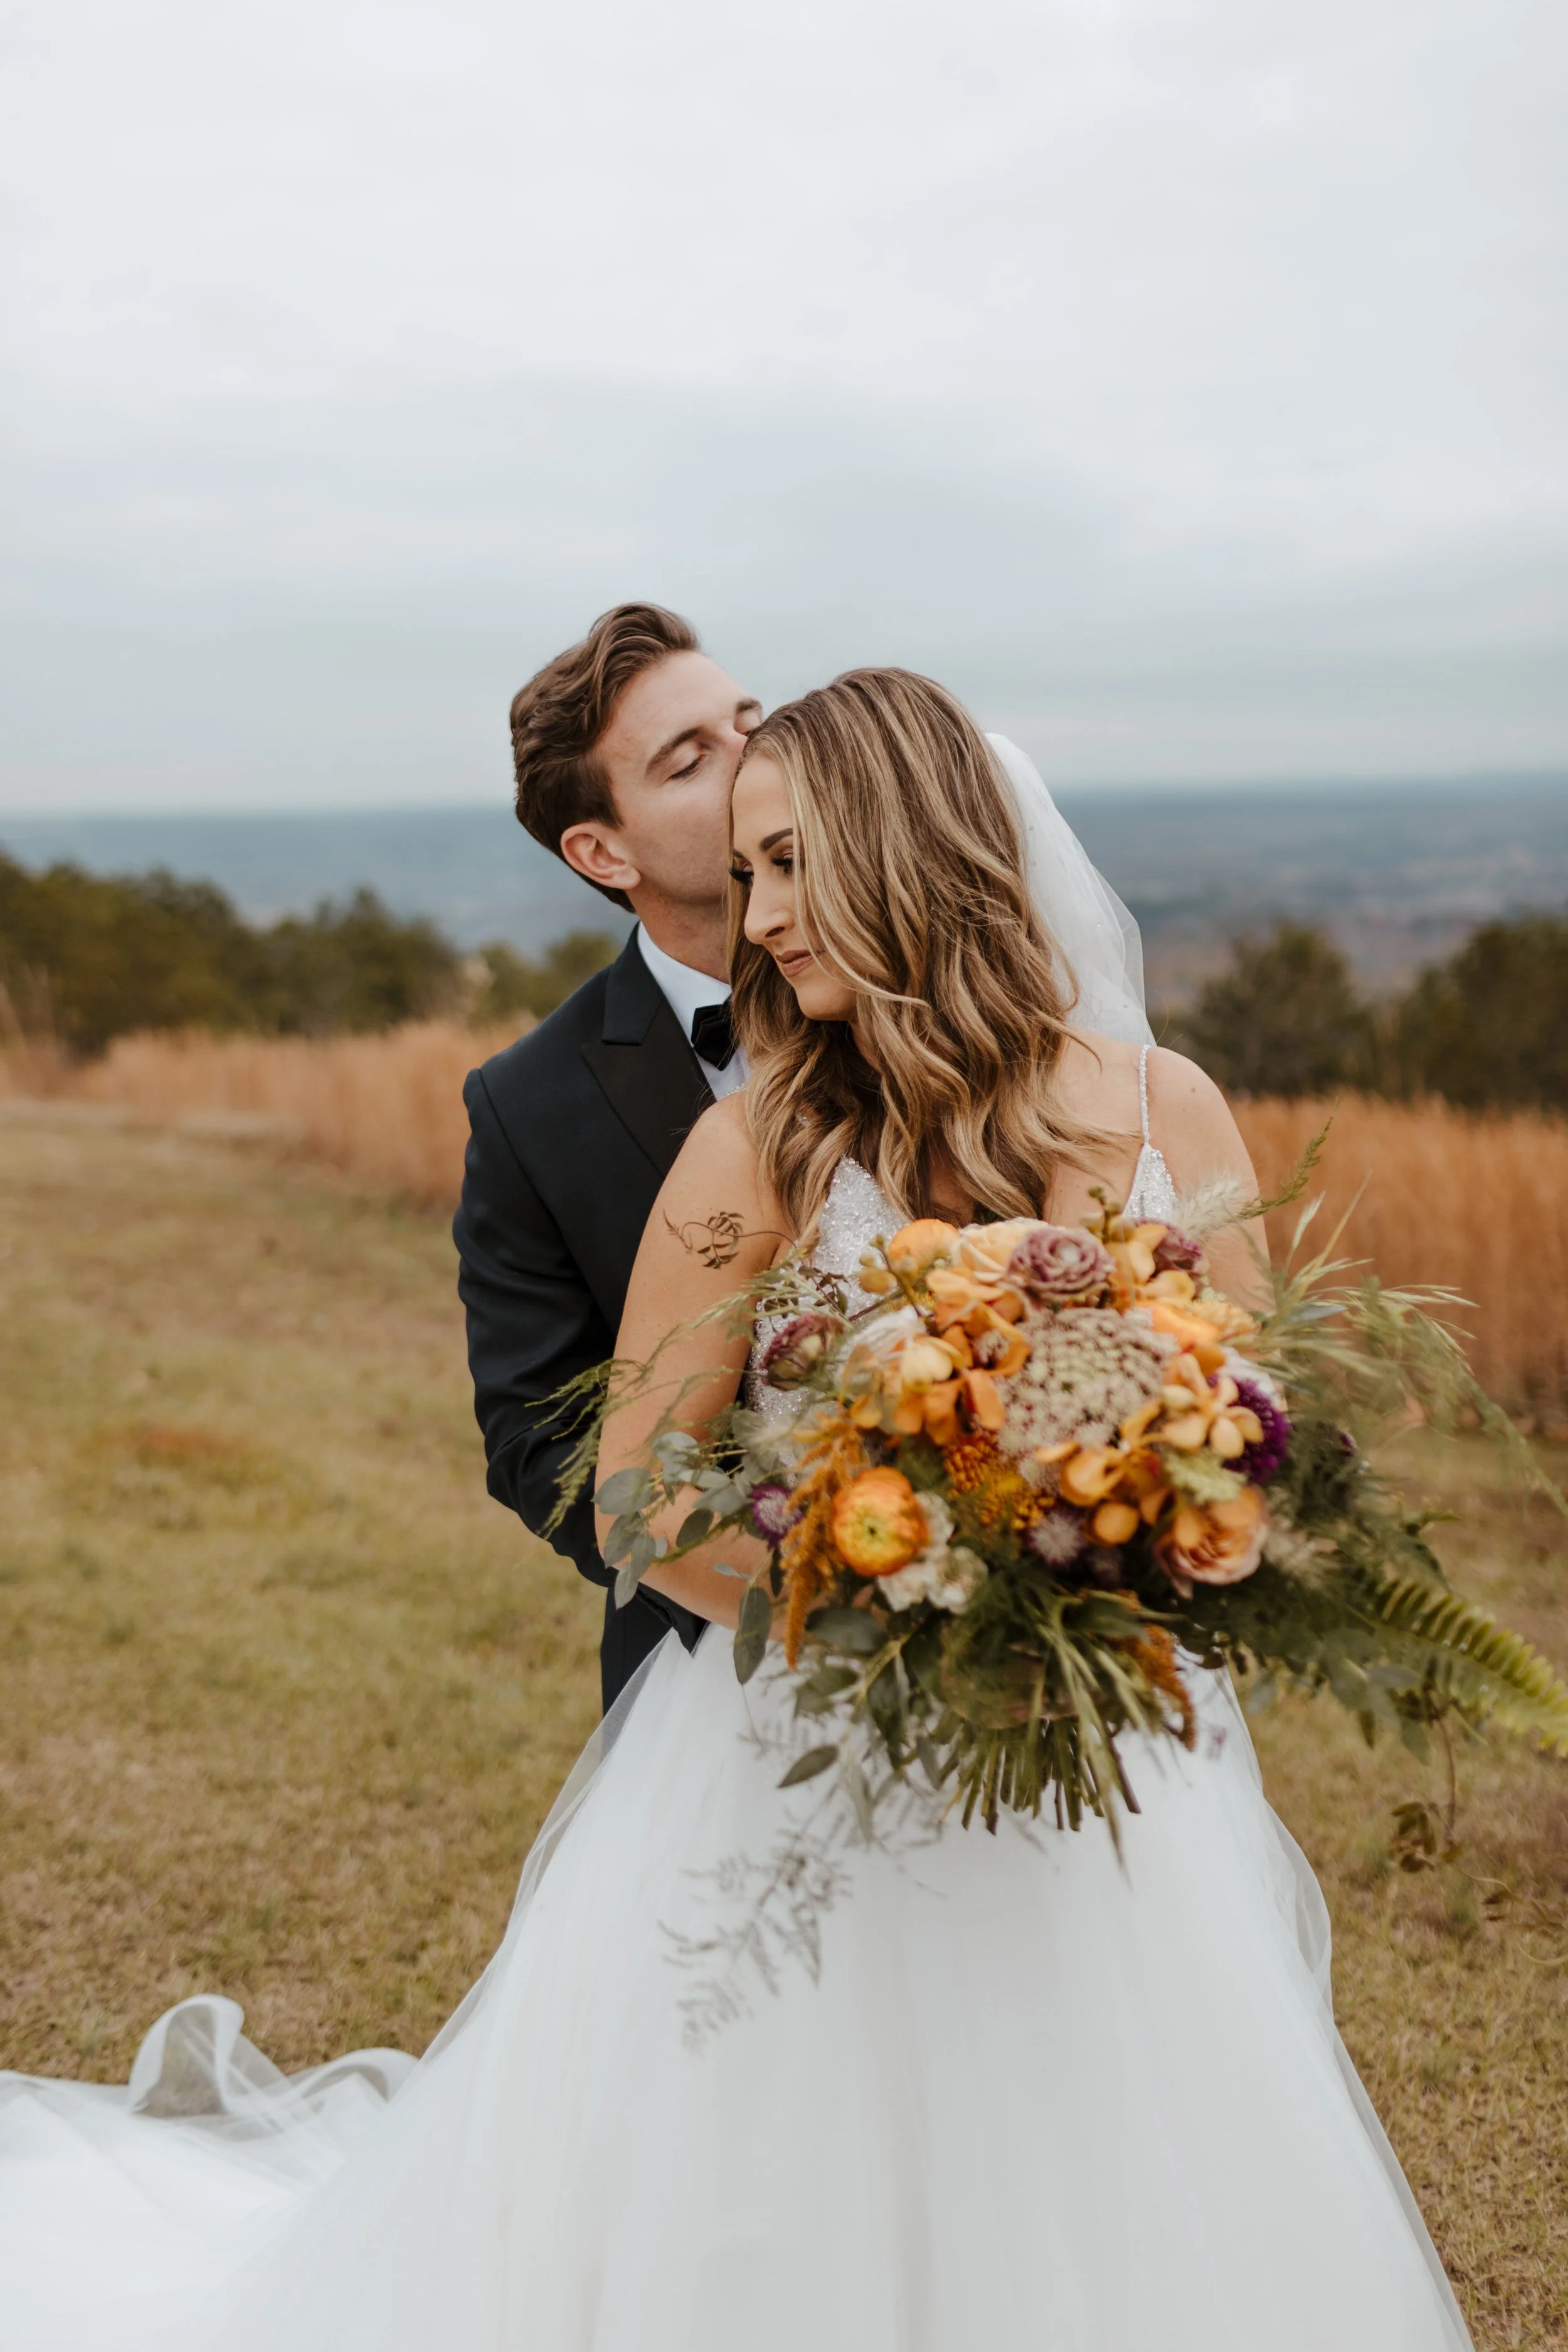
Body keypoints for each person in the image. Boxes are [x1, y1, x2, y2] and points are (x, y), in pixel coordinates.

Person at [0, 670, 1473, 2352]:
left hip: (1116, 1774)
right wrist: (860, 1575)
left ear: (901, 851)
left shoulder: (1165, 1110)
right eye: (747, 870)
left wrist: (1133, 1544)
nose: (757, 915)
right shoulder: (759, 1147)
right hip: (809, 1757)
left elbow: (1262, 1441)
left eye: (787, 867)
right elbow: (631, 1492)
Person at [455, 601, 761, 1708]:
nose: (758, 758)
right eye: (693, 760)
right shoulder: (527, 1105)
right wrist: (769, 1575)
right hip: (711, 1670)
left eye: (749, 722)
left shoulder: (926, 1005)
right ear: (603, 849)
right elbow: (536, 1437)